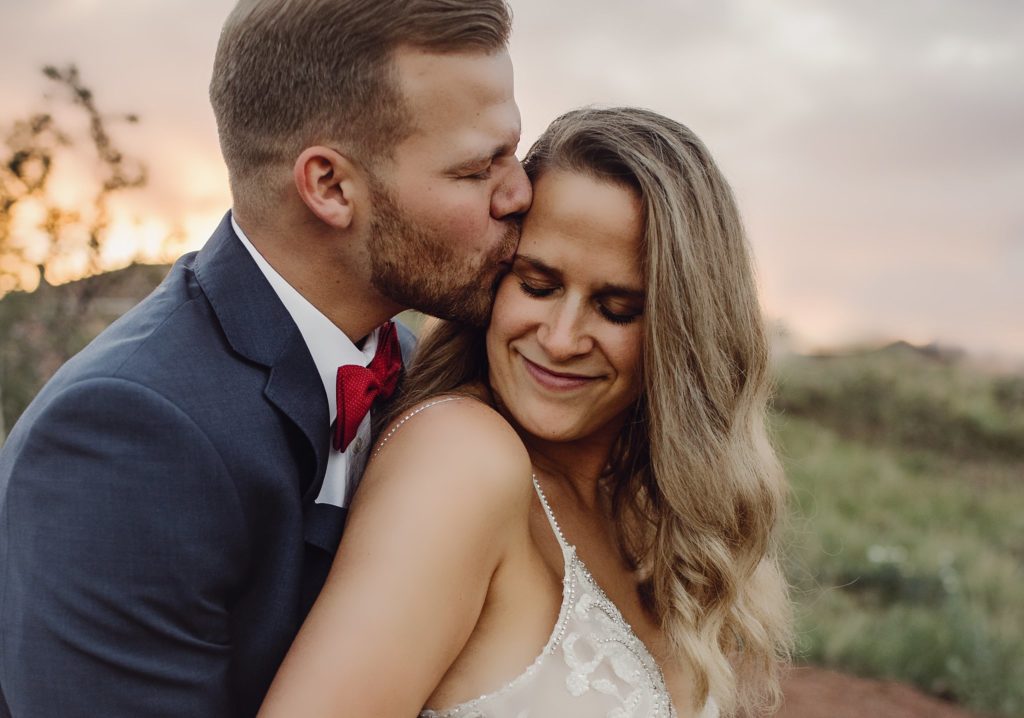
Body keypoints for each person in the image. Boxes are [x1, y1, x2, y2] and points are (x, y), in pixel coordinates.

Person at [0, 1, 530, 715]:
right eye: (476, 169)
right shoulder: (125, 435)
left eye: (513, 153)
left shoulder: (410, 365)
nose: (521, 191)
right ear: (330, 186)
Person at [256, 107, 792, 718]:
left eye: (617, 309)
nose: (561, 339)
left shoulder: (650, 515)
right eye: (536, 285)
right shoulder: (461, 457)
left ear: (683, 333)